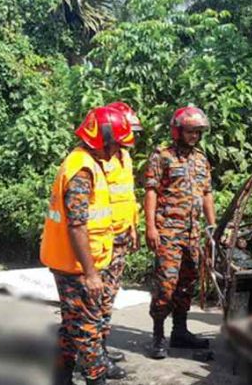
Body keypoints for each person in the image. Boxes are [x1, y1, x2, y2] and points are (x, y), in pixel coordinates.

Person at [40, 107, 134, 385]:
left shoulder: (88, 161)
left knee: (72, 327)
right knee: (89, 328)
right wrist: (91, 274)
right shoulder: (82, 169)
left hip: (77, 262)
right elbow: (77, 224)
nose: (117, 150)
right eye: (116, 143)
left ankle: (60, 378)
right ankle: (95, 379)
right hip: (77, 266)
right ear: (101, 139)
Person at [144, 106, 217, 360]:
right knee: (166, 287)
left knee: (187, 285)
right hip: (168, 232)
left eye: (198, 132)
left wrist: (212, 226)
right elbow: (151, 190)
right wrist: (151, 226)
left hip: (193, 234)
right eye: (190, 131)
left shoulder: (201, 159)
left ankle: (180, 331)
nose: (194, 136)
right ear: (178, 131)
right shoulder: (162, 156)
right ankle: (157, 336)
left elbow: (207, 193)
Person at [98, 102, 142, 371]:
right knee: (98, 298)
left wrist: (133, 228)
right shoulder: (101, 158)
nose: (133, 137)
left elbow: (127, 196)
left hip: (122, 235)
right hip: (104, 239)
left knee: (109, 295)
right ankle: (91, 354)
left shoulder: (125, 157)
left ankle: (100, 347)